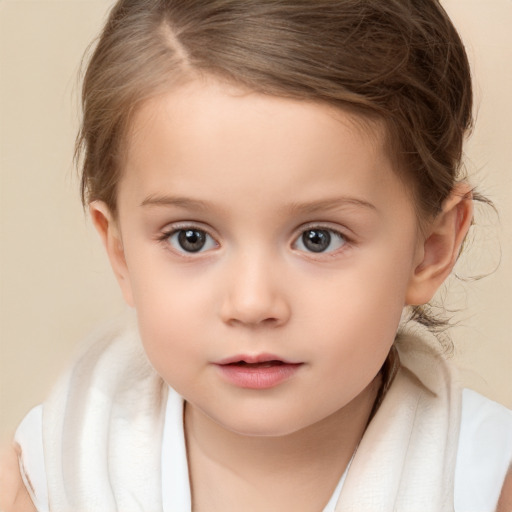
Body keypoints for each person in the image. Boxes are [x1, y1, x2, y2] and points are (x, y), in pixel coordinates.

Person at [1, 1, 511, 510]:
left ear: (430, 250)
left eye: (318, 238)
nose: (251, 303)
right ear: (121, 252)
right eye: (191, 238)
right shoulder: (46, 475)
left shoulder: (485, 482)